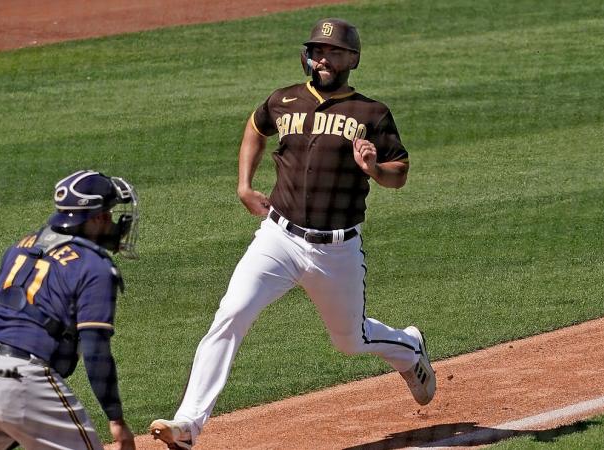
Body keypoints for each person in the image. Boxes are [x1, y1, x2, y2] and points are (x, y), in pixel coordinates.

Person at [149, 18, 436, 449]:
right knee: (231, 314)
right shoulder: (284, 99)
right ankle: (188, 424)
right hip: (278, 238)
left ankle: (409, 348)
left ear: (353, 59)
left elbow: (400, 174)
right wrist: (244, 185)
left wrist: (374, 168)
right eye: (318, 50)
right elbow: (254, 128)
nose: (324, 58)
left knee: (351, 341)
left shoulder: (371, 113)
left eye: (334, 52)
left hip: (336, 251)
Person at [0, 170, 140, 450]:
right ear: (93, 218)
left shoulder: (19, 248)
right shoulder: (94, 266)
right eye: (107, 214)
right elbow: (96, 350)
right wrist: (116, 419)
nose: (113, 221)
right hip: (19, 378)